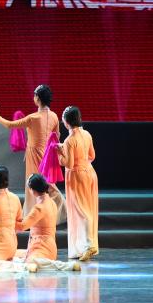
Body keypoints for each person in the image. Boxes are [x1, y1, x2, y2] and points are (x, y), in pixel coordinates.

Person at [0, 84, 59, 210]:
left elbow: (10, 125)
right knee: (47, 183)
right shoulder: (54, 116)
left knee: (34, 184)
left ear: (38, 99)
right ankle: (46, 213)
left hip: (34, 154)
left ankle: (35, 213)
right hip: (47, 154)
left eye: (35, 95)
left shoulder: (33, 118)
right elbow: (56, 136)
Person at [58, 105, 99, 262]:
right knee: (88, 208)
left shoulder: (69, 140)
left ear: (67, 122)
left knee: (81, 210)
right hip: (90, 172)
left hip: (77, 175)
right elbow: (92, 156)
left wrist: (60, 154)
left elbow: (68, 164)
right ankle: (86, 245)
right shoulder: (87, 134)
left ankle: (88, 245)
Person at [18, 173, 79, 272]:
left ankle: (67, 266)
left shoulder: (39, 207)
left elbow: (22, 227)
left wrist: (6, 222)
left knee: (31, 261)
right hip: (48, 246)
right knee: (15, 254)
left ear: (33, 191)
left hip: (42, 247)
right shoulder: (51, 202)